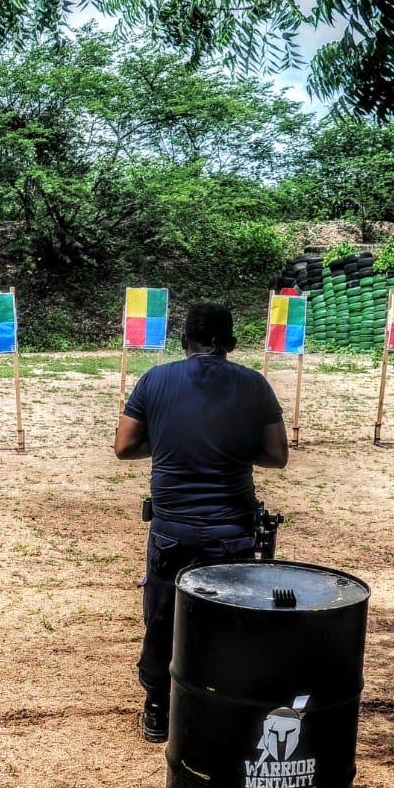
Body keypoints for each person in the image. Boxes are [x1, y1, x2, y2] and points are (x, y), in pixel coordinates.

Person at [115, 301, 289, 743]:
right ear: (230, 343)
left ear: (183, 340)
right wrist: (228, 448)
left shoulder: (155, 379)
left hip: (173, 530)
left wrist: (174, 444)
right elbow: (276, 456)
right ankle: (221, 709)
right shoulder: (254, 384)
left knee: (162, 618)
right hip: (232, 532)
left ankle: (157, 706)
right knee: (230, 623)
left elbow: (124, 447)